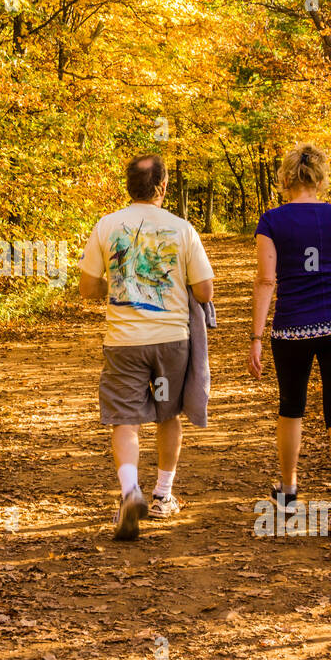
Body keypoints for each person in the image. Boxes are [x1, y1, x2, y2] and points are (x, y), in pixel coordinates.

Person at [79, 154, 214, 540]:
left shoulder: (106, 226)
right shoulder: (182, 228)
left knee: (126, 418)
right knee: (167, 413)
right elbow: (204, 290)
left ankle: (129, 491)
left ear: (127, 187)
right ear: (164, 186)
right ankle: (162, 495)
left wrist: (118, 289)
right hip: (170, 344)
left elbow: (88, 288)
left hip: (124, 344)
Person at [248, 143, 331, 541]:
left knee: (291, 406)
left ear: (286, 177)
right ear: (320, 177)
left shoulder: (272, 221)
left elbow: (266, 281)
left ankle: (290, 491)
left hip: (292, 325)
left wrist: (256, 337)